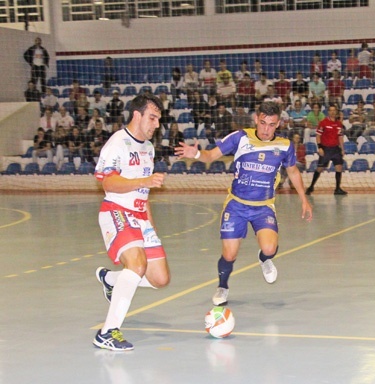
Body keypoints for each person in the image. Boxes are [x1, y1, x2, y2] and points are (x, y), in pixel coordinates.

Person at [174, 101, 313, 306]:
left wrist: (304, 199)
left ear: (278, 124)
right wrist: (195, 154)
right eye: (263, 123)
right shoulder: (240, 138)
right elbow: (211, 155)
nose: (266, 129)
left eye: (272, 125)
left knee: (269, 248)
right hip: (237, 205)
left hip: (263, 206)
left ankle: (264, 259)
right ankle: (222, 287)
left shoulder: (284, 146)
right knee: (229, 254)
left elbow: (292, 171)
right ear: (256, 119)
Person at [93, 93, 170, 351]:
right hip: (117, 210)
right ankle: (107, 332)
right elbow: (107, 182)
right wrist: (143, 182)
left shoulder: (148, 147)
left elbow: (144, 194)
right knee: (136, 264)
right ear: (137, 115)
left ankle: (111, 280)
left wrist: (151, 227)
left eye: (158, 119)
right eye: (152, 118)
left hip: (140, 217)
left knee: (160, 278)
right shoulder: (117, 143)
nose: (156, 124)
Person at [305, 105, 347, 196]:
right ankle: (311, 186)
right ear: (328, 112)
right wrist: (320, 147)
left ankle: (337, 188)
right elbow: (318, 136)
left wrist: (342, 149)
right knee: (320, 168)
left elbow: (340, 137)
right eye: (330, 110)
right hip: (326, 149)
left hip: (336, 149)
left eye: (334, 110)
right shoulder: (323, 122)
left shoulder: (339, 124)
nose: (332, 112)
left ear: (336, 112)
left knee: (339, 167)